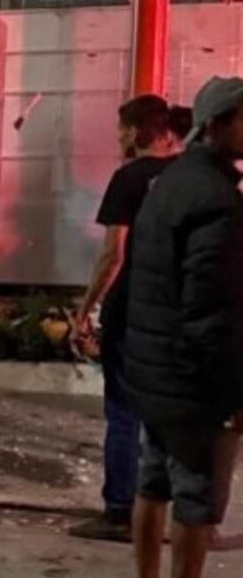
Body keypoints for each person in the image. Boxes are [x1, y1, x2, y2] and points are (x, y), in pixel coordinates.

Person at [125, 76, 243, 578]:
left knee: (152, 485)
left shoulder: (168, 183)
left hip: (154, 372)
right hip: (193, 385)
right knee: (196, 502)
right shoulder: (218, 201)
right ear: (216, 125)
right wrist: (231, 392)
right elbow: (211, 310)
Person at [69, 95, 177, 542]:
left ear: (134, 131)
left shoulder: (128, 178)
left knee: (123, 411)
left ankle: (120, 512)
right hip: (177, 313)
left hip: (132, 310)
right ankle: (177, 512)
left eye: (120, 130)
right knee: (171, 416)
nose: (118, 138)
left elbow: (113, 254)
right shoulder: (192, 177)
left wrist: (85, 309)